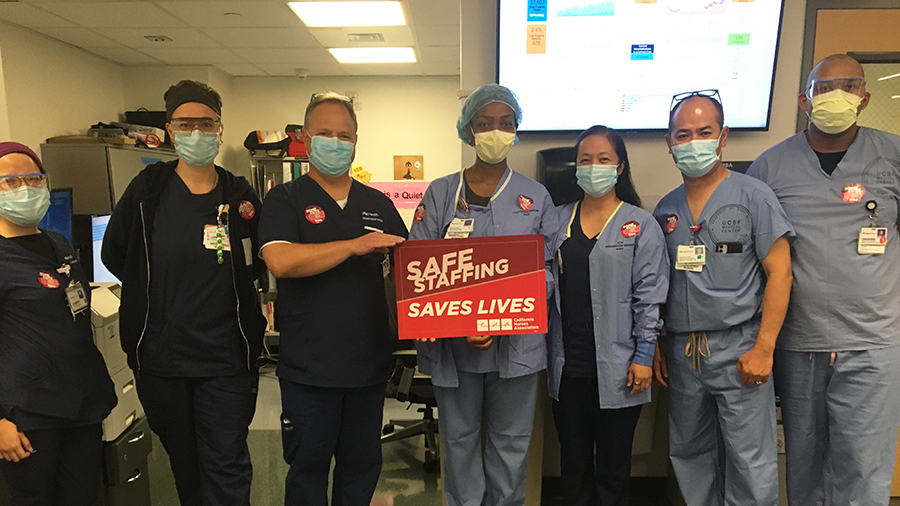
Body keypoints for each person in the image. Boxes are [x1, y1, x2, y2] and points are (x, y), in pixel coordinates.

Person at [102, 80, 266, 506]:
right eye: (186, 123)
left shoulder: (240, 196)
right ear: (171, 130)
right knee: (185, 465)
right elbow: (119, 255)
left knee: (226, 464)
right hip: (162, 359)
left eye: (206, 123)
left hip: (227, 358)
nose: (197, 132)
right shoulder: (147, 191)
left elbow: (259, 260)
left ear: (220, 129)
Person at [747, 54, 900, 505]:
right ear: (804, 100)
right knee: (805, 462)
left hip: (873, 339)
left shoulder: (893, 155)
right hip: (799, 342)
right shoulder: (770, 168)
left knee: (865, 462)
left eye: (848, 86)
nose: (836, 96)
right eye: (824, 88)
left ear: (864, 98)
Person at [409, 84, 557, 506]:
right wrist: (465, 321)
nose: (496, 131)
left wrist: (499, 315)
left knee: (511, 445)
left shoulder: (536, 197)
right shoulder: (440, 193)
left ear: (516, 131)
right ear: (469, 130)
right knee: (459, 442)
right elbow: (420, 269)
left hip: (518, 347)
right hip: (455, 349)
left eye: (506, 124)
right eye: (485, 123)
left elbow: (547, 271)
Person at [257, 92, 407, 506]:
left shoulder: (377, 204)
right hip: (310, 370)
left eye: (345, 135)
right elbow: (281, 260)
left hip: (367, 366)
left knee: (361, 471)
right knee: (307, 474)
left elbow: (406, 271)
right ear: (305, 138)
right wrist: (353, 246)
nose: (335, 143)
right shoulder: (284, 199)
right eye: (325, 133)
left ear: (356, 141)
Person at [651, 91, 794, 506]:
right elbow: (661, 285)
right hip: (683, 352)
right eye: (683, 134)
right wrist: (660, 343)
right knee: (690, 455)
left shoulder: (754, 197)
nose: (693, 141)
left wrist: (764, 348)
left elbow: (781, 274)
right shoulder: (666, 210)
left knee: (749, 459)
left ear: (723, 136)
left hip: (739, 347)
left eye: (703, 132)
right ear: (670, 142)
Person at [547, 126, 668, 506]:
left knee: (614, 469)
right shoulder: (555, 221)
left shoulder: (640, 225)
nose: (593, 167)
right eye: (585, 160)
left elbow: (650, 297)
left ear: (619, 168)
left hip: (620, 367)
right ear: (575, 168)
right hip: (568, 367)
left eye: (603, 160)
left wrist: (644, 356)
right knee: (573, 466)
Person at [0, 142, 117, 505]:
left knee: (81, 497)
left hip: (80, 405)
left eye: (34, 179)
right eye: (11, 182)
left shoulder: (58, 243)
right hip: (28, 415)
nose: (26, 189)